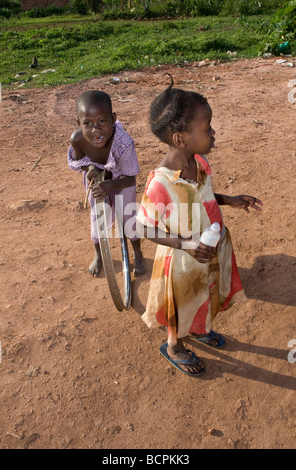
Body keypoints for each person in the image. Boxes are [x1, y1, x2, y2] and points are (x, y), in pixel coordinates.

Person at [136, 75, 263, 376]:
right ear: (180, 138)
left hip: (208, 250)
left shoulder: (199, 162)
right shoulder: (161, 184)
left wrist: (228, 199)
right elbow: (144, 228)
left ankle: (200, 328)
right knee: (180, 304)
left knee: (205, 294)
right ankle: (174, 346)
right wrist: (186, 244)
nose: (213, 133)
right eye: (207, 128)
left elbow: (202, 197)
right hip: (182, 259)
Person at [68, 90, 146, 277]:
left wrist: (110, 186)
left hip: (122, 181)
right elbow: (81, 164)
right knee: (97, 219)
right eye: (87, 123)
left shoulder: (123, 143)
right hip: (98, 182)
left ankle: (137, 252)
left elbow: (130, 177)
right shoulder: (77, 139)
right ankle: (99, 254)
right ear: (79, 124)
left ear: (113, 119)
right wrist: (90, 171)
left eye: (102, 121)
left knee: (129, 217)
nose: (95, 129)